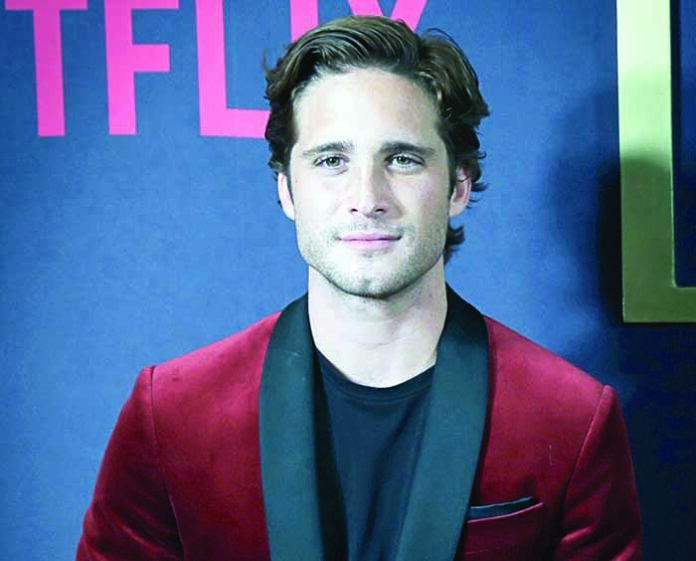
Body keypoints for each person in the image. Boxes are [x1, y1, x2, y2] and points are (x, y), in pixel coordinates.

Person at [77, 15, 641, 561]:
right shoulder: (172, 416)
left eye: (402, 159)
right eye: (331, 160)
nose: (367, 197)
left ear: (458, 187)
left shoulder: (570, 420)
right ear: (287, 190)